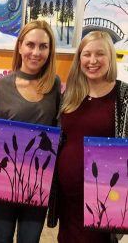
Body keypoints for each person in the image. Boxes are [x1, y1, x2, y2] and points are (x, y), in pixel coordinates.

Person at [47, 31, 128, 242]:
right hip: (67, 196)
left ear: (110, 57)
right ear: (79, 58)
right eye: (87, 54)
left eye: (100, 54)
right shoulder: (70, 94)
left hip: (104, 198)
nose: (93, 61)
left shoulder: (124, 95)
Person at [0, 20, 61, 243]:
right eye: (30, 44)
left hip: (38, 181)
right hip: (3, 178)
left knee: (29, 240)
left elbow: (58, 130)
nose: (36, 52)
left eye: (43, 46)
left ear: (50, 50)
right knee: (2, 238)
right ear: (20, 46)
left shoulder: (54, 85)